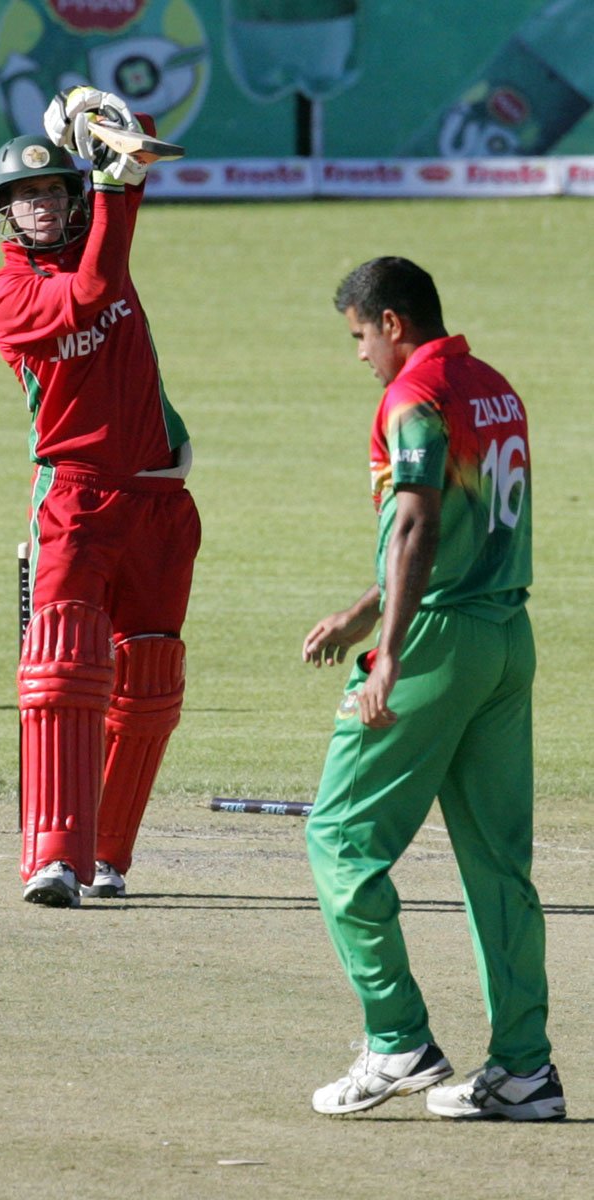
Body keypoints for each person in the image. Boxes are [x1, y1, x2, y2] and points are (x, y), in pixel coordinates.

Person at [301, 256, 565, 1121]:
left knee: (340, 838)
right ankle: (523, 1070)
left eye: (358, 337)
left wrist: (385, 651)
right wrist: (359, 609)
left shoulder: (413, 393)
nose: (359, 357)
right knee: (497, 867)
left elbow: (416, 523)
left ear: (392, 323)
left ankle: (396, 1040)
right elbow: (460, 527)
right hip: (503, 639)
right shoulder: (492, 387)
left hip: (436, 646)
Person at [0, 88, 201, 909]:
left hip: (158, 505)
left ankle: (106, 854)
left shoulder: (100, 239)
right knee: (66, 671)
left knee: (147, 683)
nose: (40, 207)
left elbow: (114, 225)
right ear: (2, 214)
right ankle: (51, 859)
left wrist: (101, 128)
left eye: (54, 192)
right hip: (74, 498)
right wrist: (114, 186)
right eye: (24, 197)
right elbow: (90, 295)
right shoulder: (7, 296)